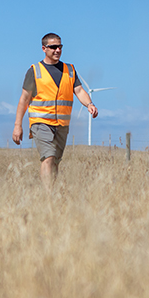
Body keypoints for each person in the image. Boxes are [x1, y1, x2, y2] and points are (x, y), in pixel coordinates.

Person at [12, 33, 98, 189]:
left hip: (62, 124)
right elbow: (24, 99)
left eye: (60, 47)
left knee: (55, 160)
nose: (57, 50)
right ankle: (48, 195)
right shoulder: (34, 71)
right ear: (44, 49)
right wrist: (18, 125)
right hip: (41, 122)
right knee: (48, 157)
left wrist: (89, 104)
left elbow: (79, 91)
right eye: (53, 47)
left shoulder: (70, 70)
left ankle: (53, 192)